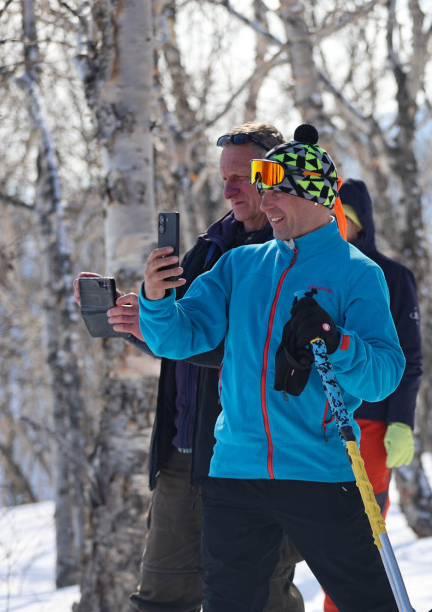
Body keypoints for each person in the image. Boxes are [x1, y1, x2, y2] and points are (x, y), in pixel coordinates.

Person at [138, 124, 405, 612]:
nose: (265, 202)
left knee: (367, 601)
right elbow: (180, 337)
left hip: (319, 471)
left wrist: (335, 342)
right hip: (235, 472)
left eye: (278, 190)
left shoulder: (356, 273)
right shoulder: (240, 266)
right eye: (265, 190)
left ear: (317, 197)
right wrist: (155, 300)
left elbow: (384, 374)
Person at [73, 122, 304, 612]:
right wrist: (139, 323)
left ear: (276, 172)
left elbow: (256, 352)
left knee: (263, 598)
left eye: (242, 176)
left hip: (257, 460)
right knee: (161, 599)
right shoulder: (210, 246)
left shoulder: (293, 253)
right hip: (183, 454)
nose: (229, 190)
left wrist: (165, 326)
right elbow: (181, 345)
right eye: (225, 177)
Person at [320, 179, 422, 612]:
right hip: (312, 425)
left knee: (362, 537)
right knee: (316, 537)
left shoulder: (391, 276)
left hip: (371, 426)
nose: (339, 225)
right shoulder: (304, 273)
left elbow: (409, 357)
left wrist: (401, 420)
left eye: (346, 218)